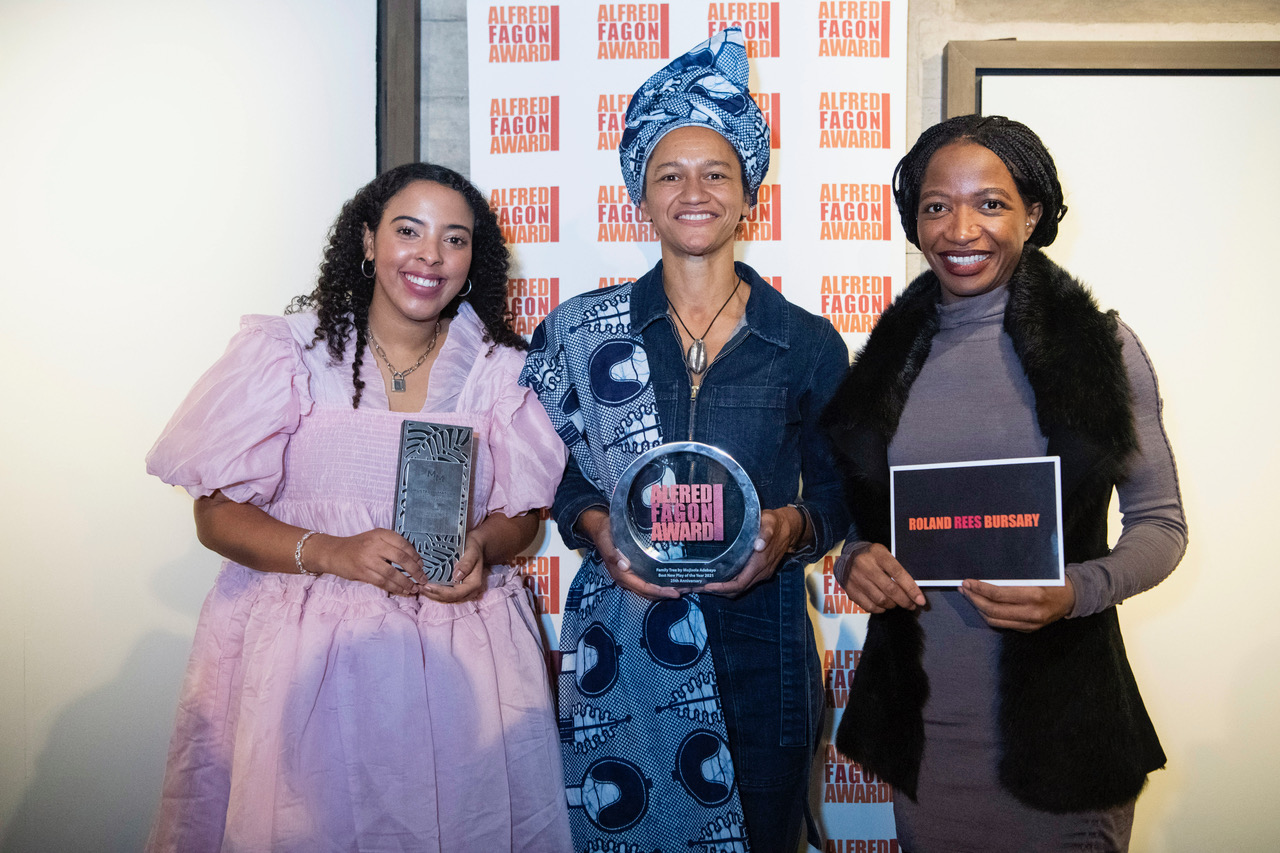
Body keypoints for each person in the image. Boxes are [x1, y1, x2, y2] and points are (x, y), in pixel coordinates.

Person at [143, 163, 573, 852]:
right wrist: (333, 551)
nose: (430, 254)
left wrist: (484, 545)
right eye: (409, 230)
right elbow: (215, 516)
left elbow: (522, 516)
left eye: (454, 239)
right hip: (304, 660)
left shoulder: (500, 371)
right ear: (369, 241)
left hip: (462, 655)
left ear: (473, 261)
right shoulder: (286, 352)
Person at [519, 28, 850, 853]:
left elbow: (843, 493)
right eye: (669, 172)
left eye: (716, 173)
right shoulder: (576, 333)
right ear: (640, 196)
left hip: (762, 646)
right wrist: (595, 525)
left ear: (750, 197)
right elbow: (549, 476)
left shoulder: (806, 342)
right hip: (623, 645)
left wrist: (791, 531)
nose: (692, 191)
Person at [820, 115, 1188, 851]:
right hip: (924, 737)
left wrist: (1079, 588)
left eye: (990, 203)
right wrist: (853, 558)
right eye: (936, 205)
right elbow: (864, 526)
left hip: (1064, 736)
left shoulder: (1103, 351)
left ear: (1034, 213)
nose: (961, 229)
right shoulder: (882, 366)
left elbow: (1161, 524)